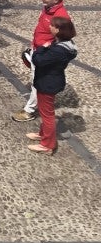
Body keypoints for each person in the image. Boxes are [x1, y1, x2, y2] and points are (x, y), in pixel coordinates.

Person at [15, 0, 71, 123]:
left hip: (44, 54)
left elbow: (64, 39)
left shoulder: (61, 17)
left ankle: (30, 110)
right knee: (36, 80)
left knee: (37, 82)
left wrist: (46, 50)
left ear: (55, 0)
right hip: (37, 49)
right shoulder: (47, 8)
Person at [26, 16, 78, 154]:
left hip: (47, 83)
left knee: (47, 115)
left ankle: (47, 145)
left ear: (59, 30)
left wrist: (41, 48)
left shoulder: (59, 50)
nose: (50, 26)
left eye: (53, 26)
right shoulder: (64, 44)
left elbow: (38, 60)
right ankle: (43, 135)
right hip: (49, 80)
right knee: (46, 112)